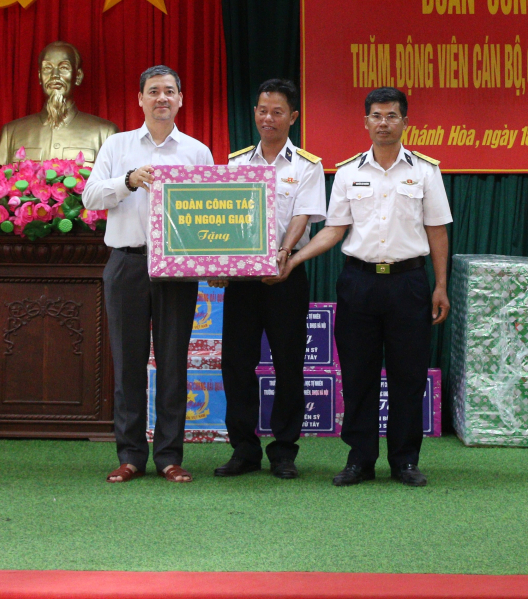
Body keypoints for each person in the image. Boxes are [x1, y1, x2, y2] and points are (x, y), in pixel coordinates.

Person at [275, 86, 451, 487]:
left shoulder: (425, 171)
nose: (383, 123)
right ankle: (360, 459)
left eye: (391, 116)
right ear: (366, 122)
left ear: (405, 122)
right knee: (358, 376)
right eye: (376, 116)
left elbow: (437, 230)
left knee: (408, 376)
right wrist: (293, 258)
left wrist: (440, 285)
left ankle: (405, 461)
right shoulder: (349, 172)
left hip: (409, 282)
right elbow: (333, 230)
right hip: (359, 282)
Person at [82, 65, 213, 483]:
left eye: (169, 91)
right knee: (128, 363)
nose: (162, 98)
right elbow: (90, 196)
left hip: (177, 270)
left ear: (180, 100)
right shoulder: (117, 145)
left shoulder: (197, 151)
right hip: (127, 263)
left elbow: (211, 210)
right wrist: (128, 181)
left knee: (174, 363)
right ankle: (131, 456)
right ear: (140, 99)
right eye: (153, 91)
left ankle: (170, 456)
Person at [214, 79, 327, 480]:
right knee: (236, 364)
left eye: (277, 112)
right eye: (262, 111)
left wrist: (284, 253)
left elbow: (303, 214)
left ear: (292, 117)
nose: (268, 118)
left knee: (288, 363)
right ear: (254, 114)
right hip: (242, 281)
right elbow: (223, 220)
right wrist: (221, 264)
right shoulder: (236, 164)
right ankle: (244, 449)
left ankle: (284, 451)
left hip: (286, 275)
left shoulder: (307, 166)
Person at [0, 41, 117, 166]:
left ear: (78, 76)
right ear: (40, 76)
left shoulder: (106, 133)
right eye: (47, 68)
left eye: (64, 68)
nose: (54, 75)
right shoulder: (10, 133)